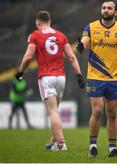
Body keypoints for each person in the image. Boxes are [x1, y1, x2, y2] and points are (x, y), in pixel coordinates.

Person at [15, 10, 85, 151]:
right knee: (55, 111)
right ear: (50, 21)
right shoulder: (61, 36)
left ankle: (61, 143)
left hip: (46, 77)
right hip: (61, 78)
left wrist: (20, 72)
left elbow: (28, 57)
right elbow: (71, 57)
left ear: (37, 22)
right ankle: (53, 141)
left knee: (52, 112)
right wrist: (79, 75)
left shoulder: (35, 35)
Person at [76, 0, 117, 157]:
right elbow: (84, 41)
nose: (106, 10)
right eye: (104, 7)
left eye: (109, 8)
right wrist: (81, 46)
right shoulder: (91, 27)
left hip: (114, 78)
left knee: (112, 113)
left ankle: (112, 149)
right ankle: (93, 147)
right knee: (97, 110)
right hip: (95, 77)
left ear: (116, 12)